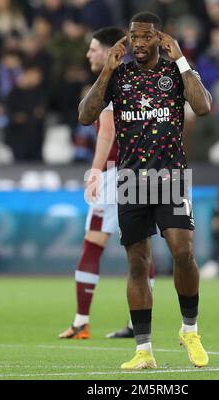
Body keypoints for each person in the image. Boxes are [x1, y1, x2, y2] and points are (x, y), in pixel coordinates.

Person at [78, 12, 212, 369]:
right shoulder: (118, 77)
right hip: (131, 180)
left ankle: (190, 329)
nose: (139, 43)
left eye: (146, 37)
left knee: (182, 252)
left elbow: (203, 107)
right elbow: (85, 115)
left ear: (160, 39)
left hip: (171, 177)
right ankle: (144, 350)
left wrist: (182, 58)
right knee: (138, 263)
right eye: (134, 37)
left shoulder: (175, 73)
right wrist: (106, 70)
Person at [59, 26, 156, 340]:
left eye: (93, 48)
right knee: (141, 249)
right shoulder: (140, 78)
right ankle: (138, 324)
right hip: (144, 172)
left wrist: (96, 171)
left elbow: (107, 131)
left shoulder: (113, 80)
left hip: (117, 173)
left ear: (109, 49)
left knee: (93, 243)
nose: (88, 54)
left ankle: (80, 322)